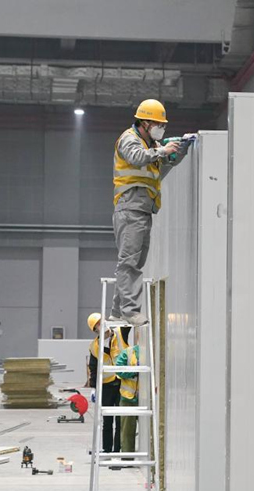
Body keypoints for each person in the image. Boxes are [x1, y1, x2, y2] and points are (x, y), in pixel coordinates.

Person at [110, 99, 194, 325]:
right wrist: (162, 150)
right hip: (130, 207)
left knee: (135, 260)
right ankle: (129, 310)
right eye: (157, 124)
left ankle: (117, 311)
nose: (161, 128)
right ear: (144, 123)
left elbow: (163, 164)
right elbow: (136, 158)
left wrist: (177, 151)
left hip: (143, 209)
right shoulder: (129, 139)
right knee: (129, 261)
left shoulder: (152, 147)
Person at [88, 313, 130, 453]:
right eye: (98, 325)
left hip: (121, 383)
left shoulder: (119, 333)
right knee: (107, 420)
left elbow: (128, 325)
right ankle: (107, 449)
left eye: (102, 321)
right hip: (106, 386)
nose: (102, 325)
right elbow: (93, 368)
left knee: (119, 419)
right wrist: (93, 388)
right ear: (95, 330)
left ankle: (117, 449)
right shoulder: (94, 346)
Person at [115, 343, 144, 455]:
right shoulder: (128, 352)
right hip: (128, 397)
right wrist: (134, 371)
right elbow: (119, 370)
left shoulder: (151, 352)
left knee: (148, 431)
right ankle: (127, 457)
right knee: (127, 431)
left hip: (145, 398)